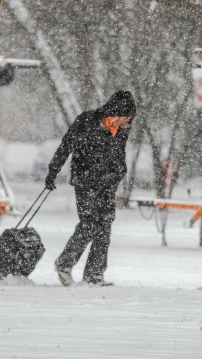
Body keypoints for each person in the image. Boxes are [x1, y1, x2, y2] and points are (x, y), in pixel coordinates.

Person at [45, 90, 136, 286]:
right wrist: (53, 171)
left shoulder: (122, 129)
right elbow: (65, 146)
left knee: (104, 227)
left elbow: (119, 154)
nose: (128, 123)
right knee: (89, 224)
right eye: (127, 118)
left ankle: (94, 276)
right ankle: (64, 264)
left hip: (108, 183)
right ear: (117, 112)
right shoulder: (86, 121)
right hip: (86, 181)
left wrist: (120, 172)